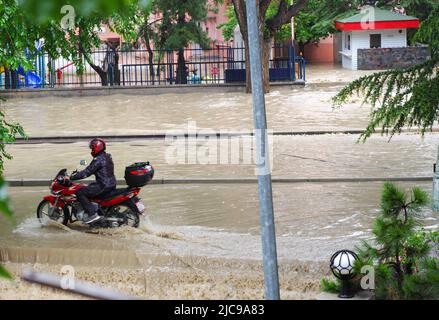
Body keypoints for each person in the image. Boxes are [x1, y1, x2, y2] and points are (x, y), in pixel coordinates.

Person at [70, 138, 117, 224]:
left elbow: (87, 172)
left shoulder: (98, 160)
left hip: (103, 186)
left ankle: (92, 214)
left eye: (92, 148)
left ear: (97, 147)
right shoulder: (107, 156)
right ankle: (97, 210)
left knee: (79, 192)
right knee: (89, 186)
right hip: (111, 184)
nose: (91, 150)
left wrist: (72, 177)